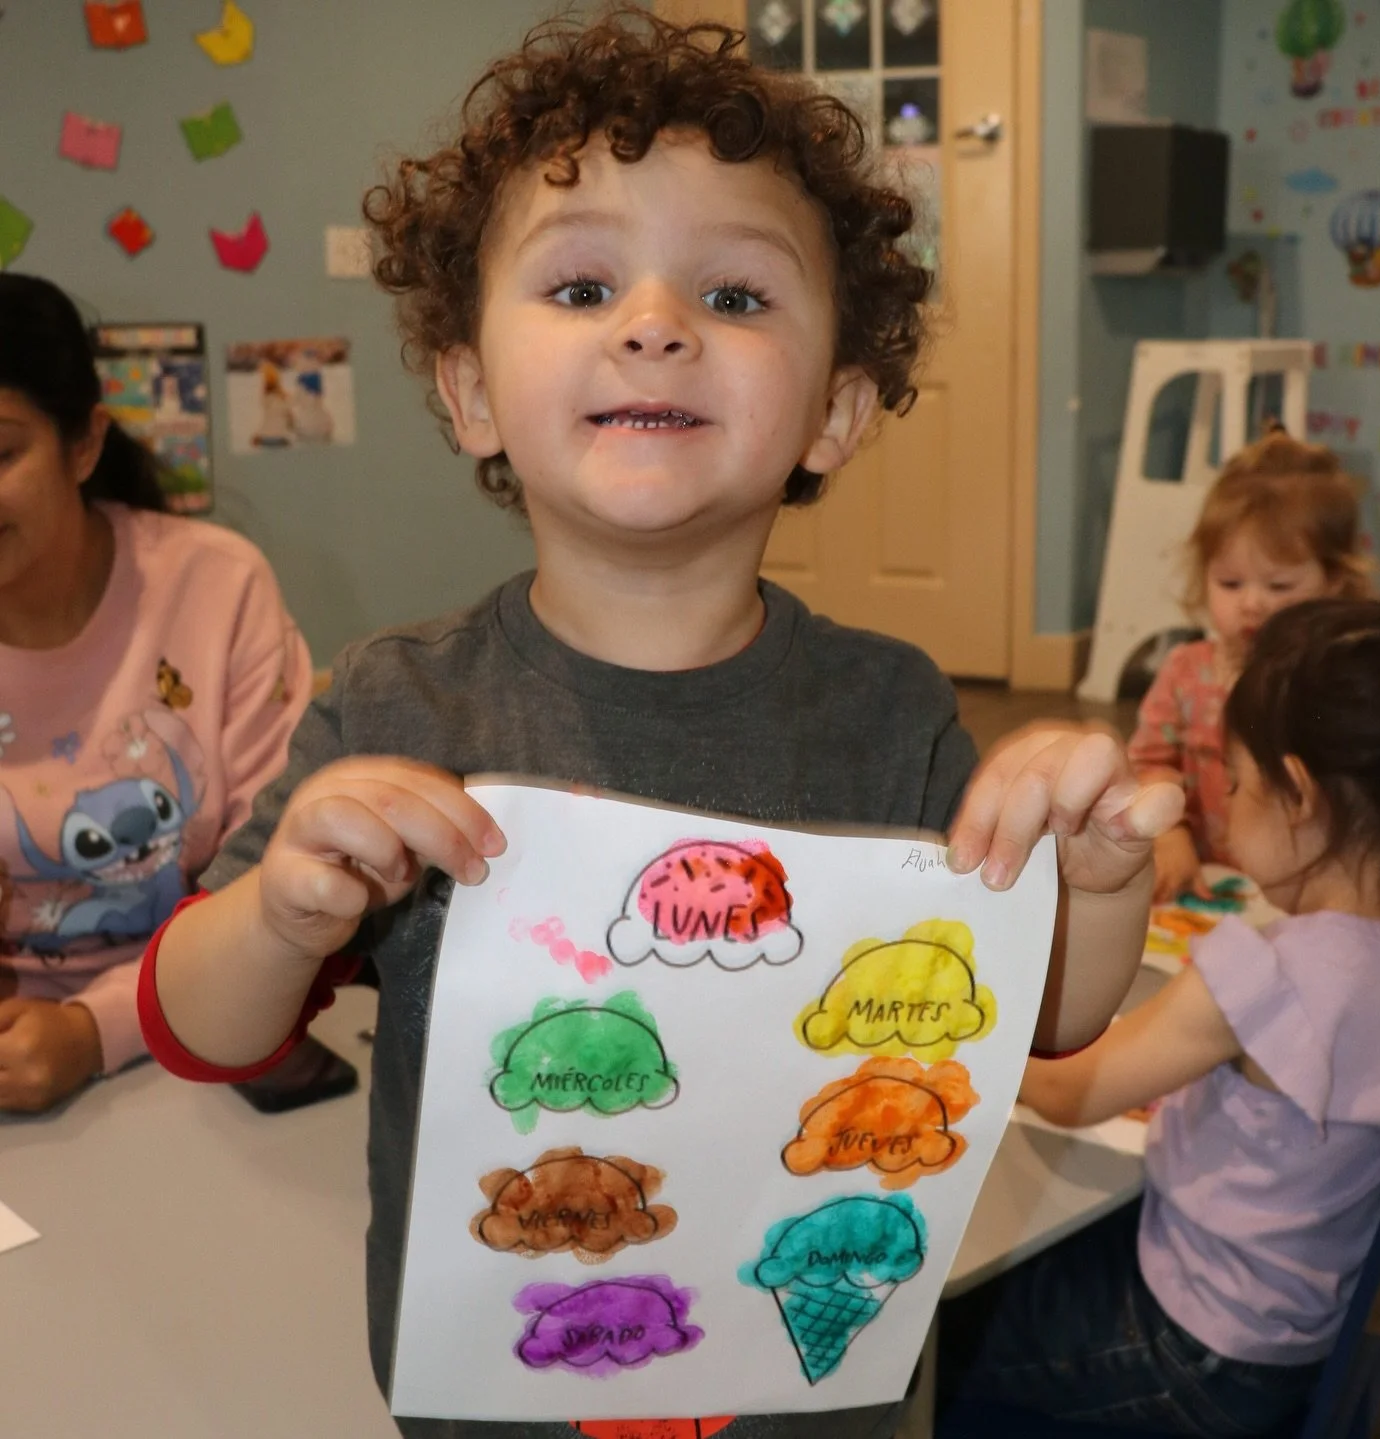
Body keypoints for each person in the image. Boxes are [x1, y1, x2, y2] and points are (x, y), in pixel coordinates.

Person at [139, 12, 1182, 1438]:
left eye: (739, 297)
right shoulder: (399, 702)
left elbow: (1053, 1014)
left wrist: (1103, 874)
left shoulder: (892, 705)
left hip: (807, 1399)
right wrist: (279, 912)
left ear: (837, 410)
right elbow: (199, 1024)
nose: (653, 320)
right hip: (499, 1390)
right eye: (580, 281)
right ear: (467, 392)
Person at [941, 575, 1380, 1436]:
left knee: (950, 1328)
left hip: (1190, 1351)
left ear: (1301, 794)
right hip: (1293, 1335)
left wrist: (959, 1032)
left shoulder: (1272, 974)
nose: (1227, 803)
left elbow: (1069, 1089)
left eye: (1236, 785)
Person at [0, 273, 311, 1112]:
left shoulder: (215, 587)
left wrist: (94, 1029)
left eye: (0, 453)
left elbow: (276, 878)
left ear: (84, 444)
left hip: (204, 1036)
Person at [1129, 426, 1370, 901]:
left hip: (1308, 895)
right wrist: (1169, 833)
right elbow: (1147, 763)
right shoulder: (1184, 673)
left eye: (1279, 586)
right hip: (1203, 882)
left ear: (1335, 581)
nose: (1252, 604)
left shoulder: (1340, 680)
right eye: (1230, 583)